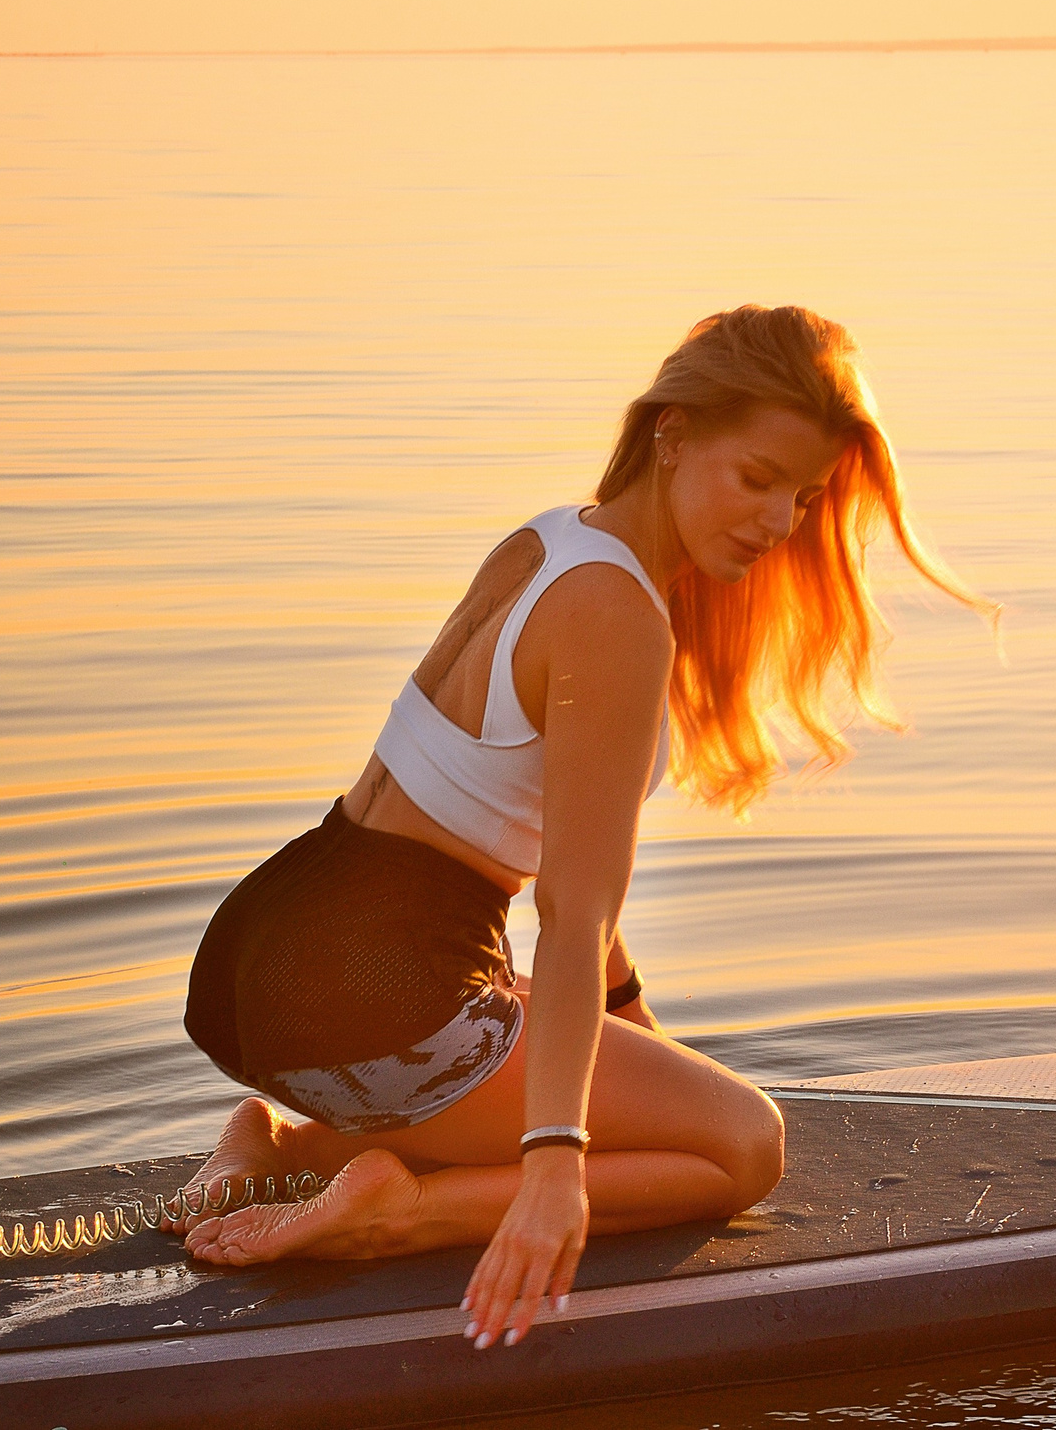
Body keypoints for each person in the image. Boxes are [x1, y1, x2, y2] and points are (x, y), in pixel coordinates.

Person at [175, 305, 990, 1351]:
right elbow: (570, 909)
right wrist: (556, 1163)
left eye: (804, 495)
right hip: (382, 996)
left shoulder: (552, 541)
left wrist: (636, 1029)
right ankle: (398, 1208)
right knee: (742, 1144)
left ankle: (284, 1146)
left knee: (595, 1056)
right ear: (672, 433)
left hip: (262, 960)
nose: (779, 520)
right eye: (757, 478)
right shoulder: (618, 617)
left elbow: (559, 875)